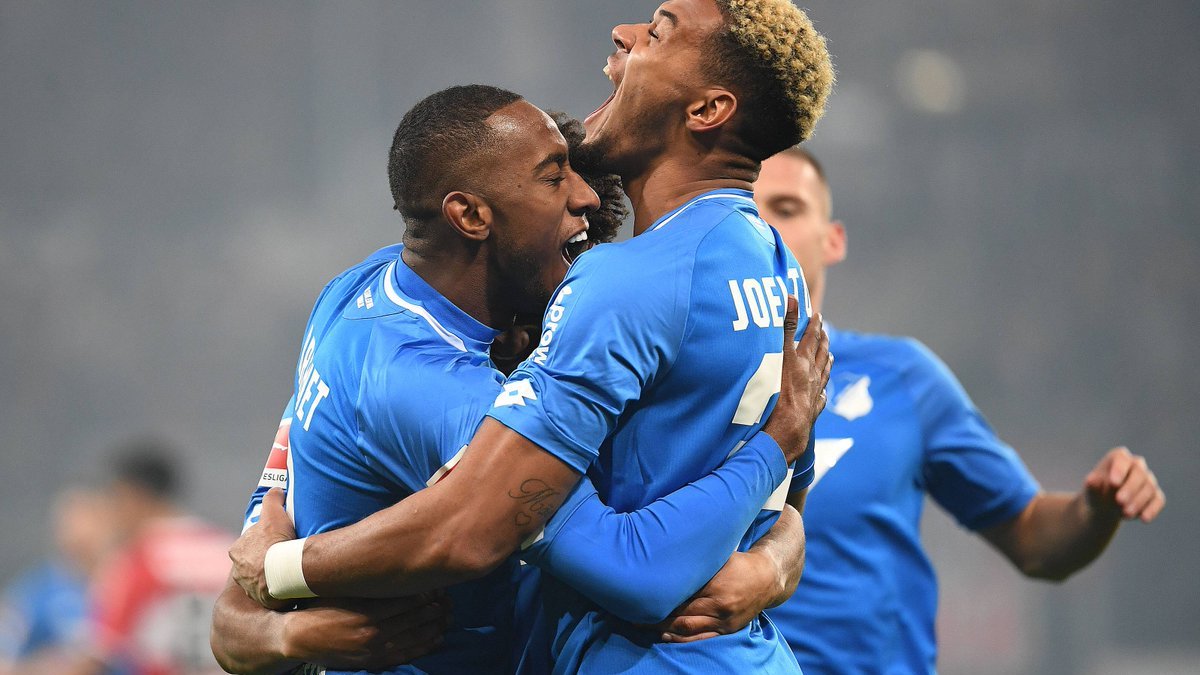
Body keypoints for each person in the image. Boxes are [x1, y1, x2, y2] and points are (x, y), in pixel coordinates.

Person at [230, 1, 835, 672]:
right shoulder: (777, 269)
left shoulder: (358, 293)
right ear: (472, 215)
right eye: (554, 177)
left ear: (707, 109)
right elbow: (787, 503)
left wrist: (280, 567)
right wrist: (771, 535)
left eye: (659, 30)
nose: (583, 200)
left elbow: (521, 539)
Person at [750, 146, 1167, 674]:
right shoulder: (671, 385)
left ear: (833, 239)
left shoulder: (903, 379)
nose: (765, 227)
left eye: (787, 208)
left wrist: (1095, 510)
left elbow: (1034, 539)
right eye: (747, 210)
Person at [78, 440, 233, 675]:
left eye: (113, 499)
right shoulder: (226, 547)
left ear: (131, 496)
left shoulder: (137, 560)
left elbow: (98, 654)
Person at [0, 488, 115, 674]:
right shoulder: (36, 592)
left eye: (92, 520)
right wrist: (41, 669)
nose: (82, 532)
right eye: (72, 523)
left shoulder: (123, 583)